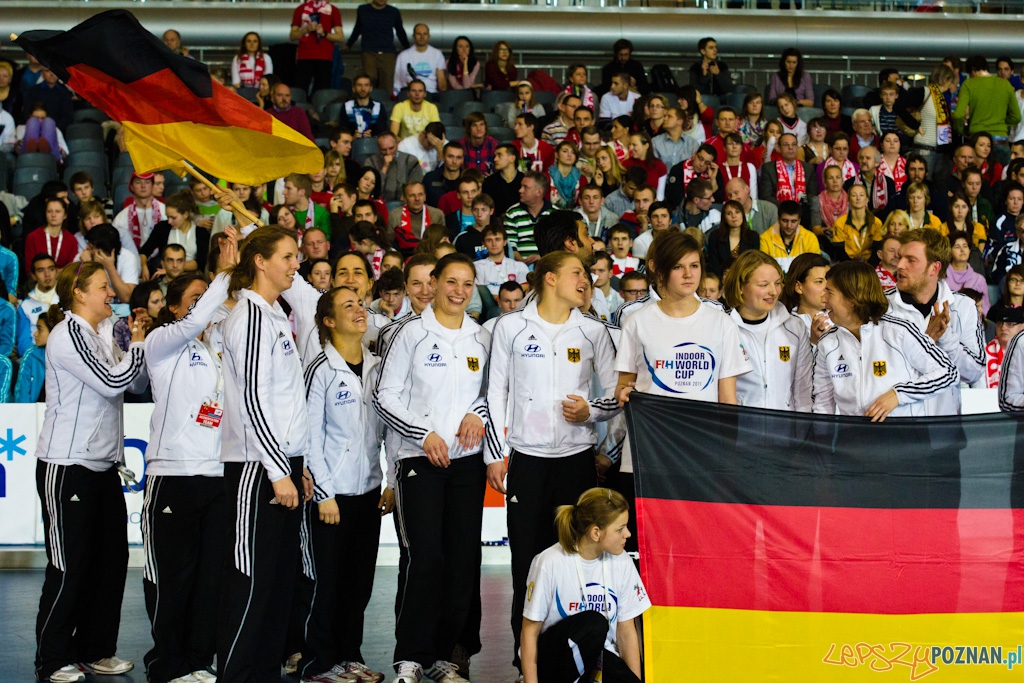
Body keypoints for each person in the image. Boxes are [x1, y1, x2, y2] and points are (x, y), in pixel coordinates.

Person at [485, 251, 620, 674]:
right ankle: (527, 659)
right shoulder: (511, 326)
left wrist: (591, 412)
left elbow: (618, 393)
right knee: (527, 560)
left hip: (576, 460)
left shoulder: (593, 330)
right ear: (549, 278)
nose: (587, 280)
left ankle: (580, 651)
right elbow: (495, 394)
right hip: (527, 459)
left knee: (578, 557)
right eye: (578, 273)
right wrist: (495, 454)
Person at [375, 253, 490, 683]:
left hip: (465, 465)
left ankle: (444, 656)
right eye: (451, 282)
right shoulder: (410, 335)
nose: (458, 291)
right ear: (435, 283)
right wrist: (424, 434)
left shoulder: (480, 337)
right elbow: (386, 396)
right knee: (426, 559)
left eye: (467, 283)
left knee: (461, 560)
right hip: (417, 460)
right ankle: (410, 656)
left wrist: (477, 413)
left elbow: (489, 393)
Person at [34, 261, 147, 683]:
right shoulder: (67, 335)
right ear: (78, 292)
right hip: (67, 468)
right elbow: (113, 382)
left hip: (102, 467)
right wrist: (135, 345)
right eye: (103, 287)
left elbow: (134, 384)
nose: (110, 294)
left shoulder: (100, 336)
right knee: (69, 564)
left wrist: (132, 346)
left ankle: (97, 650)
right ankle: (52, 659)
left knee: (110, 561)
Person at [217, 227, 313, 682]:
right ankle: (236, 676)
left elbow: (287, 401)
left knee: (277, 586)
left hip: (283, 464)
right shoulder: (251, 318)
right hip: (257, 469)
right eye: (289, 257)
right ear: (260, 261)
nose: (297, 264)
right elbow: (253, 400)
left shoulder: (276, 315)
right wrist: (278, 471)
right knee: (251, 582)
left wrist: (300, 464)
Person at [141, 229, 237, 683]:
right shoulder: (161, 343)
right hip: (172, 474)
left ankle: (198, 659)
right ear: (177, 308)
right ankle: (167, 662)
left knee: (209, 576)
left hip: (214, 476)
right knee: (172, 576)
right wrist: (223, 271)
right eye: (195, 299)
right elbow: (196, 318)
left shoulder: (217, 349)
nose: (205, 306)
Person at [298, 286, 389, 683]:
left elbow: (388, 431)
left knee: (358, 583)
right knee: (326, 584)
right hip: (331, 496)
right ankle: (317, 663)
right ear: (329, 321)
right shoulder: (320, 368)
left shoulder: (377, 366)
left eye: (360, 303)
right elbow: (309, 437)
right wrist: (323, 493)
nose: (359, 310)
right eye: (347, 306)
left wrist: (391, 481)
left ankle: (350, 656)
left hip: (369, 491)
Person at [519, 487, 649, 683]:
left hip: (598, 658)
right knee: (594, 623)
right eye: (620, 529)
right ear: (596, 533)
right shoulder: (549, 562)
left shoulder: (622, 561)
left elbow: (626, 631)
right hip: (555, 661)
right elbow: (529, 631)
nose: (628, 534)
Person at [812, 260, 959, 419]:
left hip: (903, 438)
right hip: (853, 439)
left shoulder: (899, 331)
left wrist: (898, 395)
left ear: (852, 298)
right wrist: (822, 439)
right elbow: (822, 402)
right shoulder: (827, 343)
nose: (823, 299)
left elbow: (948, 372)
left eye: (829, 292)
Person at [884, 229, 984, 414]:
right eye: (900, 257)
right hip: (899, 426)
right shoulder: (880, 307)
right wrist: (926, 341)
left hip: (944, 426)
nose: (900, 265)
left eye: (910, 260)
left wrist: (946, 338)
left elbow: (974, 373)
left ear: (934, 268)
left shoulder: (964, 307)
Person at [723, 250, 812, 411]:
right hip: (742, 431)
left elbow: (803, 390)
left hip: (785, 431)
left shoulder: (794, 327)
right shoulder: (725, 327)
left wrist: (802, 431)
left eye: (777, 283)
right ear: (741, 286)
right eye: (763, 285)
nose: (773, 291)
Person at [953, 56, 1021, 166]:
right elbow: (1017, 117)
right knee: (1002, 179)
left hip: (977, 140)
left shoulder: (969, 84)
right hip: (1001, 140)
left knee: (975, 180)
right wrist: (1000, 122)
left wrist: (961, 130)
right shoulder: (1005, 84)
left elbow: (958, 115)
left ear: (973, 71)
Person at [140, 190, 211, 278]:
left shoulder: (201, 233)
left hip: (190, 276)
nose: (169, 221)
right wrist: (144, 266)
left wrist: (171, 269)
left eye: (173, 218)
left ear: (185, 214)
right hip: (165, 276)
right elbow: (144, 251)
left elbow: (200, 262)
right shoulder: (162, 228)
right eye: (168, 217)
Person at [346, 0, 409, 91]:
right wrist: (349, 44)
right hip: (369, 51)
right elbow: (358, 28)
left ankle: (386, 104)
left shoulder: (393, 11)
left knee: (388, 83)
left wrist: (407, 48)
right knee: (369, 79)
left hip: (388, 52)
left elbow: (400, 31)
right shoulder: (363, 10)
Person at [780, 252, 831, 344]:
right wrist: (814, 342)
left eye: (829, 281)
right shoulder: (787, 326)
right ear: (799, 287)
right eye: (819, 281)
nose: (826, 287)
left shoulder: (841, 318)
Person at [758, 133, 818, 209]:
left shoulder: (808, 168)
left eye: (794, 144)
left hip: (802, 210)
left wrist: (800, 204)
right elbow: (766, 196)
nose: (790, 148)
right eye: (786, 145)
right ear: (779, 148)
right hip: (778, 211)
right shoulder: (768, 168)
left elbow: (812, 194)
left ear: (797, 148)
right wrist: (786, 208)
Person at [504, 171, 553, 264]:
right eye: (521, 186)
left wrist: (542, 258)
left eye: (525, 187)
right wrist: (522, 262)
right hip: (519, 267)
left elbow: (558, 246)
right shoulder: (512, 213)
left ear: (539, 192)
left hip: (549, 264)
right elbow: (511, 246)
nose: (520, 190)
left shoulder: (555, 214)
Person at [758, 199, 820, 271]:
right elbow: (764, 270)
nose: (789, 226)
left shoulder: (810, 238)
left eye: (793, 221)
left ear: (799, 220)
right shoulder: (765, 239)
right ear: (778, 219)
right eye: (785, 221)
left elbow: (815, 269)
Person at [23, 196, 77, 275]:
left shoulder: (71, 239)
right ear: (45, 213)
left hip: (63, 282)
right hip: (38, 281)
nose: (53, 215)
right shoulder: (33, 237)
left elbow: (72, 269)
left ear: (65, 215)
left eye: (58, 211)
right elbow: (29, 269)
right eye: (49, 211)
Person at [364, 134, 424, 203]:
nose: (388, 152)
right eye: (383, 150)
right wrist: (385, 167)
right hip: (378, 204)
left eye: (391, 148)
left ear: (397, 145)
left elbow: (416, 187)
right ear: (378, 148)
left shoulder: (410, 160)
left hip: (405, 204)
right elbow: (373, 191)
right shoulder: (370, 162)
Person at [706, 200, 759, 277]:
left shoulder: (752, 236)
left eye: (737, 212)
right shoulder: (715, 237)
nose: (734, 216)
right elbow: (714, 265)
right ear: (724, 218)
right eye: (729, 213)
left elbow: (754, 263)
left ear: (742, 215)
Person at [17, 253, 57, 355]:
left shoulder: (69, 295)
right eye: (41, 270)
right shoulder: (25, 305)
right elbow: (23, 343)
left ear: (56, 271)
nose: (47, 274)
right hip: (37, 356)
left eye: (51, 269)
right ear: (33, 276)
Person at [393, 24, 447, 95]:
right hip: (409, 94)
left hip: (431, 94)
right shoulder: (403, 56)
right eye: (419, 34)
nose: (422, 37)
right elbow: (398, 81)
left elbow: (441, 80)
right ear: (413, 36)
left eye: (425, 34)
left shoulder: (437, 54)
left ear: (429, 36)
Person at [483, 144, 523, 217]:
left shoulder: (524, 180)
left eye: (499, 155)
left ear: (512, 158)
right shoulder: (489, 182)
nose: (495, 159)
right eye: (495, 156)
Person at [816, 165, 849, 236]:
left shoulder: (850, 199)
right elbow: (816, 229)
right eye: (831, 178)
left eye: (838, 177)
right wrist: (828, 231)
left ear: (842, 180)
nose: (835, 181)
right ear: (825, 182)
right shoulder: (817, 200)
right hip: (826, 240)